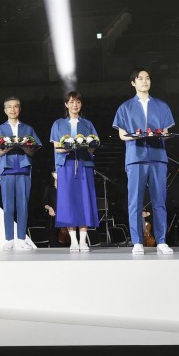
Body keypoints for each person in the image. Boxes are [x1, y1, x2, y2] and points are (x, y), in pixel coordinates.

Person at [112, 68, 175, 256]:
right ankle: (137, 241)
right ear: (133, 83)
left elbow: (166, 133)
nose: (145, 81)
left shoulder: (161, 105)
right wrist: (135, 136)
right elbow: (122, 135)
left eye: (147, 78)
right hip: (136, 157)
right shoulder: (125, 107)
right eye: (140, 79)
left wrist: (162, 134)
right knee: (135, 201)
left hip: (157, 157)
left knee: (159, 200)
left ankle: (161, 240)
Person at [0, 97, 41, 251]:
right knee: (8, 206)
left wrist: (23, 147)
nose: (13, 109)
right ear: (5, 110)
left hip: (24, 169)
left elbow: (33, 151)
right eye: (9, 107)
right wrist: (8, 147)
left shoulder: (28, 129)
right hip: (6, 170)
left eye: (15, 106)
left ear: (19, 109)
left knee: (23, 205)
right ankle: (9, 238)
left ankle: (22, 238)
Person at [49, 91, 99, 252]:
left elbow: (93, 147)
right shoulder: (58, 124)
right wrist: (69, 147)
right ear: (66, 104)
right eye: (71, 102)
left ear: (81, 104)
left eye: (77, 102)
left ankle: (83, 240)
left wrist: (85, 146)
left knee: (85, 200)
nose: (74, 105)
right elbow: (57, 149)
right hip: (65, 166)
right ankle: (73, 240)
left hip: (84, 165)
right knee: (68, 202)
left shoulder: (87, 124)